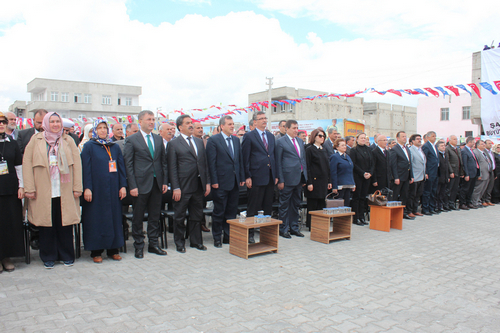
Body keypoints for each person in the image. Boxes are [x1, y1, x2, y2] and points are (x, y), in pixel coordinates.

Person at [23, 112, 83, 269]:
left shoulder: (68, 140)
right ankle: (48, 256)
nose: (55, 124)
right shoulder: (35, 141)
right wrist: (29, 188)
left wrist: (78, 187)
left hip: (65, 188)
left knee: (64, 223)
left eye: (58, 121)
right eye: (52, 121)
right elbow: (27, 164)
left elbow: (77, 165)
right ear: (45, 123)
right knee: (46, 225)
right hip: (43, 189)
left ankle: (66, 254)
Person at [123, 110, 168, 259]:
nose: (152, 122)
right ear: (140, 121)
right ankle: (138, 245)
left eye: (153, 119)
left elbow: (163, 162)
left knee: (154, 216)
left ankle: (153, 244)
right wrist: (132, 186)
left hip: (156, 183)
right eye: (149, 119)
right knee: (138, 216)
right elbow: (128, 164)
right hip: (140, 184)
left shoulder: (157, 138)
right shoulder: (132, 139)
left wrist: (164, 182)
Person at [81, 120, 127, 263]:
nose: (102, 130)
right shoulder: (89, 146)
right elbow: (85, 168)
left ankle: (113, 249)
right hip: (96, 189)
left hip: (113, 189)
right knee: (97, 219)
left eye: (105, 128)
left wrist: (123, 186)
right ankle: (96, 251)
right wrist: (87, 187)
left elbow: (121, 167)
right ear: (94, 130)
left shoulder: (113, 146)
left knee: (113, 218)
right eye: (99, 128)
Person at [167, 115, 210, 253]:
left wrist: (207, 182)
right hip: (183, 186)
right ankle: (180, 243)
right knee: (179, 216)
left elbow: (204, 164)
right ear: (180, 127)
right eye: (188, 123)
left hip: (198, 185)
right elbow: (172, 168)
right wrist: (176, 187)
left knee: (196, 216)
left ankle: (196, 242)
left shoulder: (199, 141)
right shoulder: (174, 144)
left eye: (192, 122)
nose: (191, 125)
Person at [206, 116, 245, 247]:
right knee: (219, 211)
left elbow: (239, 161)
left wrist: (241, 178)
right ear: (222, 126)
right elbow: (211, 163)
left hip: (234, 182)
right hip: (220, 182)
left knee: (231, 211)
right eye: (229, 124)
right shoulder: (213, 140)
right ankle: (217, 237)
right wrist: (214, 181)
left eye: (233, 124)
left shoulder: (235, 140)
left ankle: (228, 236)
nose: (232, 126)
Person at [241, 111, 278, 243]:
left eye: (265, 118)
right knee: (253, 207)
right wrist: (247, 176)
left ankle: (266, 233)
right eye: (261, 118)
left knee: (268, 206)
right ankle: (249, 234)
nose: (264, 120)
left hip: (269, 176)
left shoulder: (270, 136)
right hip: (255, 177)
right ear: (254, 122)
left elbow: (273, 156)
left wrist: (276, 174)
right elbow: (245, 158)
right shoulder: (249, 136)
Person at [0, 112, 25, 273]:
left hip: (10, 189)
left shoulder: (13, 143)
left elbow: (19, 167)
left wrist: (22, 186)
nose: (1, 124)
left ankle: (6, 256)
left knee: (9, 224)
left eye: (3, 122)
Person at [276, 120, 308, 238]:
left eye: (297, 128)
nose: (296, 130)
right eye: (294, 128)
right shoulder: (280, 142)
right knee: (284, 204)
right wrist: (281, 179)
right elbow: (278, 162)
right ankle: (283, 228)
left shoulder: (300, 141)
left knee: (296, 204)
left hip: (299, 178)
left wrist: (304, 177)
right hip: (287, 178)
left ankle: (294, 227)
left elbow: (302, 160)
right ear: (287, 128)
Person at [305, 129, 331, 230]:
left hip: (323, 181)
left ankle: (320, 224)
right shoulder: (310, 149)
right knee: (312, 204)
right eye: (320, 136)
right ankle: (311, 225)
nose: (322, 138)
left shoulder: (324, 149)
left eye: (324, 136)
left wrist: (329, 181)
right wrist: (309, 182)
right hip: (314, 181)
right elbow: (307, 167)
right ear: (314, 137)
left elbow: (327, 166)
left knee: (321, 203)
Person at [348, 133, 374, 226]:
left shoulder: (369, 149)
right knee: (357, 197)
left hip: (367, 177)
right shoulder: (354, 150)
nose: (363, 139)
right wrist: (363, 173)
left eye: (365, 138)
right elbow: (353, 164)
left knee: (363, 197)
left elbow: (372, 163)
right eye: (361, 138)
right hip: (358, 176)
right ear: (357, 139)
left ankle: (362, 217)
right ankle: (356, 218)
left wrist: (370, 173)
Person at [389, 131, 414, 220]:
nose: (405, 138)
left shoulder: (407, 148)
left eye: (405, 136)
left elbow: (409, 163)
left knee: (404, 195)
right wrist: (396, 177)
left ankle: (403, 213)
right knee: (395, 195)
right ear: (398, 138)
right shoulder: (394, 149)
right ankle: (392, 213)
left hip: (406, 176)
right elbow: (393, 165)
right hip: (399, 177)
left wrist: (411, 176)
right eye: (403, 136)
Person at [329, 139, 355, 215]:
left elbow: (350, 170)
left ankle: (344, 220)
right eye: (342, 145)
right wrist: (334, 186)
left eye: (345, 145)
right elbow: (333, 172)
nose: (345, 147)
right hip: (340, 184)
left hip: (348, 183)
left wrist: (353, 183)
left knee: (346, 204)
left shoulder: (348, 157)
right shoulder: (335, 157)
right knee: (339, 204)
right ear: (337, 147)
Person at [408, 134, 426, 217]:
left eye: (420, 139)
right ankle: (409, 210)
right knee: (412, 195)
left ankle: (415, 210)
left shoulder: (421, 150)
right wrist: (411, 175)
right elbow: (410, 163)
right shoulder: (411, 150)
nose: (420, 140)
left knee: (418, 194)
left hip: (421, 176)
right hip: (414, 176)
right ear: (413, 141)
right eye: (418, 139)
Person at [459, 137, 480, 210]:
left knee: (471, 189)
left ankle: (468, 202)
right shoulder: (464, 151)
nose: (474, 144)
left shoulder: (471, 150)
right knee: (465, 189)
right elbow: (464, 163)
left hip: (473, 173)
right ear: (469, 142)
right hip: (469, 173)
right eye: (473, 142)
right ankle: (462, 203)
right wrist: (466, 174)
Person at [421, 131, 439, 215]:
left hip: (435, 172)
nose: (434, 138)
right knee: (427, 191)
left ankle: (431, 207)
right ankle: (425, 208)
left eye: (435, 136)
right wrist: (426, 172)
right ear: (428, 137)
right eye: (433, 136)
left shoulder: (434, 146)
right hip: (429, 172)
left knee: (433, 191)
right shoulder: (426, 146)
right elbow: (425, 160)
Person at [445, 135, 463, 210]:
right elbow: (447, 161)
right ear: (450, 140)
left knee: (455, 189)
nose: (456, 140)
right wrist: (451, 171)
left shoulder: (457, 149)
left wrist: (462, 172)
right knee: (449, 189)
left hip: (458, 172)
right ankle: (447, 204)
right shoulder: (448, 149)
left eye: (456, 139)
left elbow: (460, 161)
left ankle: (452, 203)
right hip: (452, 172)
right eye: (454, 139)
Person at [471, 140, 491, 208]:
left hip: (486, 174)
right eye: (482, 144)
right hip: (481, 174)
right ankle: (474, 202)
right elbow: (477, 164)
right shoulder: (476, 152)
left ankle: (478, 201)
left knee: (483, 189)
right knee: (477, 189)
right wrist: (479, 174)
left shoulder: (484, 152)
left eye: (484, 144)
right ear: (478, 145)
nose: (484, 145)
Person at [436, 141, 450, 212]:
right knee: (437, 192)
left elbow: (446, 167)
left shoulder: (445, 155)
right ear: (437, 147)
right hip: (439, 177)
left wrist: (447, 176)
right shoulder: (437, 155)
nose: (443, 147)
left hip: (445, 177)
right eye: (441, 146)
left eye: (444, 146)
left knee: (442, 192)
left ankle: (440, 206)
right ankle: (436, 206)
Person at [482, 139, 497, 206]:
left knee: (490, 186)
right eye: (489, 143)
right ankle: (483, 200)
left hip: (492, 171)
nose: (490, 145)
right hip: (486, 171)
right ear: (485, 144)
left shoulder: (491, 152)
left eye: (491, 143)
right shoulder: (484, 152)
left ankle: (488, 199)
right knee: (485, 186)